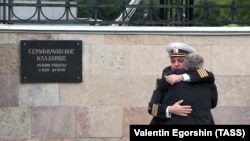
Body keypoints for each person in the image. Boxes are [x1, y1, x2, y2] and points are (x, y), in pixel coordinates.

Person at [148, 42, 217, 124]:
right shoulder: (165, 80)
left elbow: (208, 75)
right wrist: (170, 109)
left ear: (188, 61)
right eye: (173, 61)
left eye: (180, 61)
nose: (176, 64)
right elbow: (151, 108)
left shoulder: (204, 77)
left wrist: (182, 77)